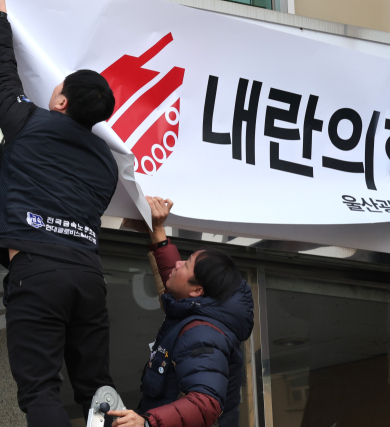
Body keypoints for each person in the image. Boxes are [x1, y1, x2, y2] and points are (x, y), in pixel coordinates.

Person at [0, 1, 119, 426]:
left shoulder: (28, 122)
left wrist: (1, 20)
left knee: (39, 390)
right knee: (95, 392)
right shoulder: (107, 162)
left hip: (38, 270)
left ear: (62, 100)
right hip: (88, 276)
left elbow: (3, 74)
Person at [108, 196, 254, 427]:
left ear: (198, 290)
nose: (178, 264)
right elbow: (173, 281)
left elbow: (205, 403)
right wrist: (157, 232)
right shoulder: (199, 312)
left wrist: (146, 424)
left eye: (186, 264)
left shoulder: (202, 333)